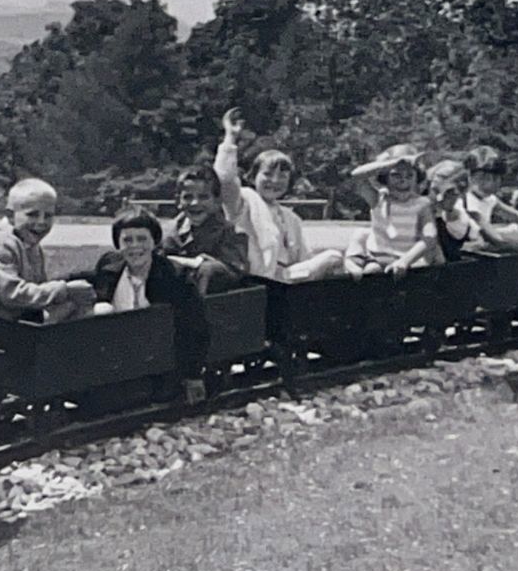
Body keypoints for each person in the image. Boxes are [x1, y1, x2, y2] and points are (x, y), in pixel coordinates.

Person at [88, 208, 210, 402]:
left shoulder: (174, 276)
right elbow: (85, 279)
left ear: (154, 242)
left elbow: (194, 326)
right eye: (127, 240)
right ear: (118, 244)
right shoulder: (109, 265)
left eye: (142, 239)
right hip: (115, 358)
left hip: (159, 360)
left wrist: (193, 375)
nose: (135, 247)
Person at [212, 108, 346, 282]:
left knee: (334, 260)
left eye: (282, 176)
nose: (274, 181)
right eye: (267, 174)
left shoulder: (291, 218)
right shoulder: (243, 202)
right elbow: (224, 179)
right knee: (333, 257)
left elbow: (304, 259)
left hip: (286, 280)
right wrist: (230, 137)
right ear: (253, 176)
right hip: (256, 279)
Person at [0, 178, 96, 323]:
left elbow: (38, 291)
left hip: (20, 319)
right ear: (10, 216)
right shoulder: (0, 245)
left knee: (91, 309)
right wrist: (63, 290)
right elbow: (12, 294)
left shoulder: (31, 245)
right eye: (32, 214)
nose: (41, 222)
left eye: (48, 216)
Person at [343, 144, 435, 276]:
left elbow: (430, 237)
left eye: (409, 176)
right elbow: (356, 175)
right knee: (371, 272)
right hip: (377, 258)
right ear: (385, 178)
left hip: (407, 259)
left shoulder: (422, 204)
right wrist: (391, 163)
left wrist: (405, 261)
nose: (403, 180)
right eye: (396, 175)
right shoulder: (378, 198)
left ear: (417, 178)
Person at [163, 164, 251, 293]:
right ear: (178, 201)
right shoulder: (167, 232)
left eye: (203, 197)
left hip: (214, 304)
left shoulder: (233, 234)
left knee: (209, 269)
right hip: (170, 300)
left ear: (217, 200)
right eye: (188, 197)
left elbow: (235, 272)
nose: (195, 203)